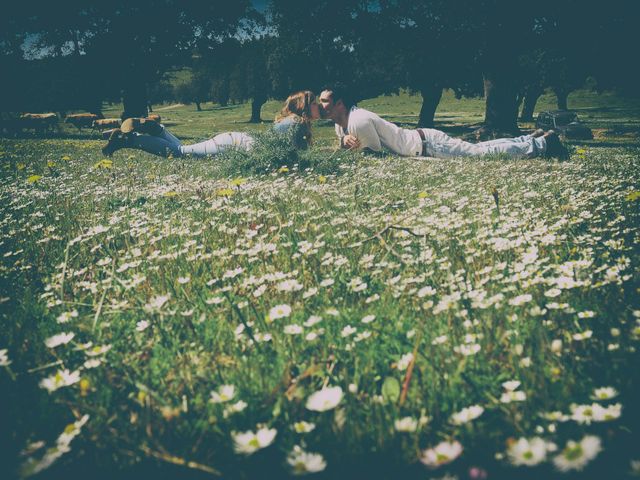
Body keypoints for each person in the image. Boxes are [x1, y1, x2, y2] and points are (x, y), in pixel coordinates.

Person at [318, 85, 568, 159]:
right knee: (481, 149)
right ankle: (531, 139)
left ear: (340, 103)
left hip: (428, 146)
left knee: (482, 155)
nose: (321, 105)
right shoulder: (341, 122)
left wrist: (345, 145)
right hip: (423, 140)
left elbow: (375, 158)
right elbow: (346, 141)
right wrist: (342, 140)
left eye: (325, 101)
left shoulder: (359, 120)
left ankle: (544, 146)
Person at [101, 90, 320, 157]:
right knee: (178, 153)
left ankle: (155, 128)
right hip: (233, 145)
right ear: (305, 106)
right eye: (316, 104)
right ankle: (129, 139)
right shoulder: (297, 124)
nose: (319, 107)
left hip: (234, 141)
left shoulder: (291, 121)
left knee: (181, 150)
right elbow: (297, 158)